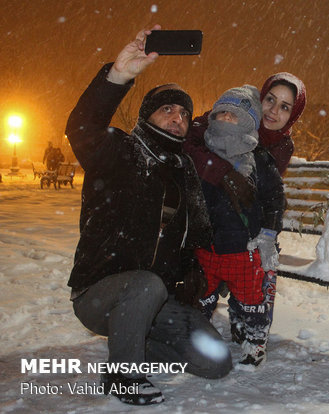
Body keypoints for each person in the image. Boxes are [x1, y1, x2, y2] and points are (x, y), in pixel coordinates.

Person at [64, 26, 232, 406]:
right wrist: (119, 75)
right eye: (167, 109)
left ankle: (133, 340)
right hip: (99, 294)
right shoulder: (118, 151)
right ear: (147, 116)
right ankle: (123, 374)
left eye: (185, 114)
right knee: (145, 284)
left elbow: (192, 240)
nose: (177, 118)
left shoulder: (183, 171)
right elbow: (82, 126)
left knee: (215, 360)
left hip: (155, 301)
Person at [185, 85, 285, 367]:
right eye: (222, 113)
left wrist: (267, 233)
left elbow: (274, 199)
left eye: (235, 115)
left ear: (249, 120)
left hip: (244, 250)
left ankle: (253, 339)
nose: (226, 119)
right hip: (206, 248)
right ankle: (197, 339)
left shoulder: (259, 159)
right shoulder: (202, 155)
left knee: (252, 300)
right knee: (201, 298)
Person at [184, 72, 306, 208]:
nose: (273, 110)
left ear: (293, 115)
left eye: (284, 107)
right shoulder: (232, 112)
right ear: (261, 97)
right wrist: (223, 173)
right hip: (201, 199)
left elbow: (264, 186)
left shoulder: (282, 147)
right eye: (270, 99)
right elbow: (186, 144)